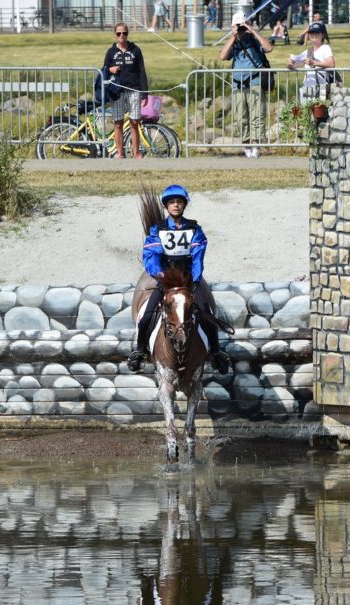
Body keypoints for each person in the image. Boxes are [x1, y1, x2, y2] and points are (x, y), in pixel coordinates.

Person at [128, 185, 231, 375]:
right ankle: (139, 351)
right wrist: (160, 275)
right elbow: (151, 256)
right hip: (166, 280)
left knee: (207, 314)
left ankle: (216, 352)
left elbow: (198, 257)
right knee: (148, 315)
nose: (176, 205)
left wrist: (195, 279)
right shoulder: (157, 230)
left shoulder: (195, 229)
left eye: (179, 202)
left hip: (189, 279)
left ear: (184, 205)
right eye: (172, 203)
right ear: (166, 206)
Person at [219, 10, 274, 158]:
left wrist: (251, 30)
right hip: (238, 84)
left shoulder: (254, 39)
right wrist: (233, 36)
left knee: (257, 115)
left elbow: (268, 48)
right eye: (238, 26)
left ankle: (256, 146)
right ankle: (246, 145)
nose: (241, 30)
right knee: (240, 116)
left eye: (241, 25)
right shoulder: (234, 41)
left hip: (255, 82)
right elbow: (223, 56)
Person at [102, 23, 149, 159]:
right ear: (115, 35)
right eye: (118, 34)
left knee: (134, 122)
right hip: (116, 92)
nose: (121, 36)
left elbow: (142, 72)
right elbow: (104, 69)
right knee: (118, 123)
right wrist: (110, 69)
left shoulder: (136, 51)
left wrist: (144, 94)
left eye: (124, 33)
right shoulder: (111, 52)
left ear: (128, 34)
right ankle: (120, 153)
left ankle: (136, 153)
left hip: (133, 90)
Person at [287, 20, 335, 97]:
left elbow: (331, 64)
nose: (314, 35)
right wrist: (289, 64)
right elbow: (294, 65)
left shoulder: (325, 48)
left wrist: (314, 63)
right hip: (307, 89)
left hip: (322, 88)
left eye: (317, 33)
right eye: (312, 33)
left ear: (322, 35)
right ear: (309, 35)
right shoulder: (307, 52)